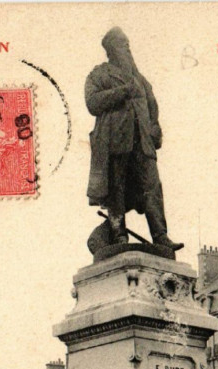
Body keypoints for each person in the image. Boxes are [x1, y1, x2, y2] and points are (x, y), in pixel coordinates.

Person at [85, 27, 183, 251]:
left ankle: (160, 236)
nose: (127, 48)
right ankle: (119, 235)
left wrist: (156, 128)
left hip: (143, 143)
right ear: (111, 50)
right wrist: (121, 91)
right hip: (115, 141)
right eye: (122, 44)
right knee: (116, 189)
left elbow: (152, 106)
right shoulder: (99, 74)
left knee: (152, 187)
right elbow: (92, 103)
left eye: (128, 44)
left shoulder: (140, 79)